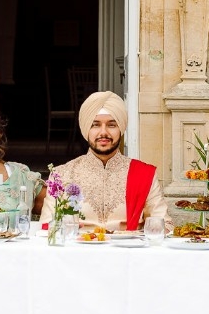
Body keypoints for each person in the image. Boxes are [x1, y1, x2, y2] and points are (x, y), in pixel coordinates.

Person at [41, 90, 172, 232]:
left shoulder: (144, 175)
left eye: (111, 125)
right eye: (95, 125)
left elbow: (165, 225)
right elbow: (47, 228)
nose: (103, 132)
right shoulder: (62, 175)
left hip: (129, 252)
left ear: (121, 128)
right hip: (79, 251)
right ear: (86, 129)